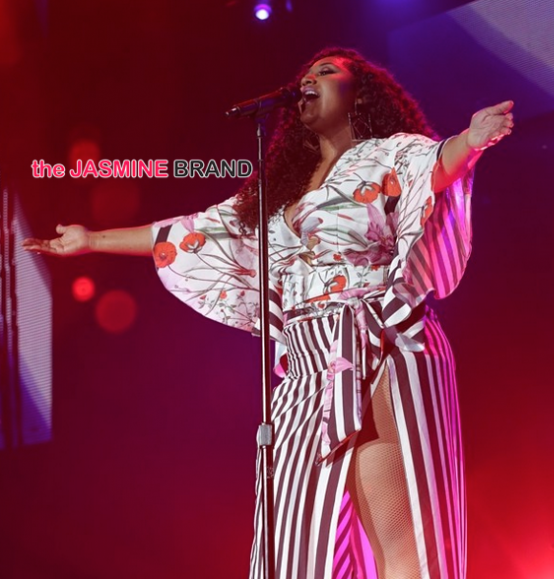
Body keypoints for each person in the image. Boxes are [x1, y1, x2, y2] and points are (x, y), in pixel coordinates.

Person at [23, 47, 513, 579]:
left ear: (360, 94)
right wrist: (93, 238)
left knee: (401, 530)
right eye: (304, 75)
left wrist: (473, 140)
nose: (310, 79)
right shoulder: (277, 195)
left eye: (327, 72)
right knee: (296, 543)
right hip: (304, 365)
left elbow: (438, 165)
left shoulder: (389, 153)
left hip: (378, 337)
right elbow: (191, 232)